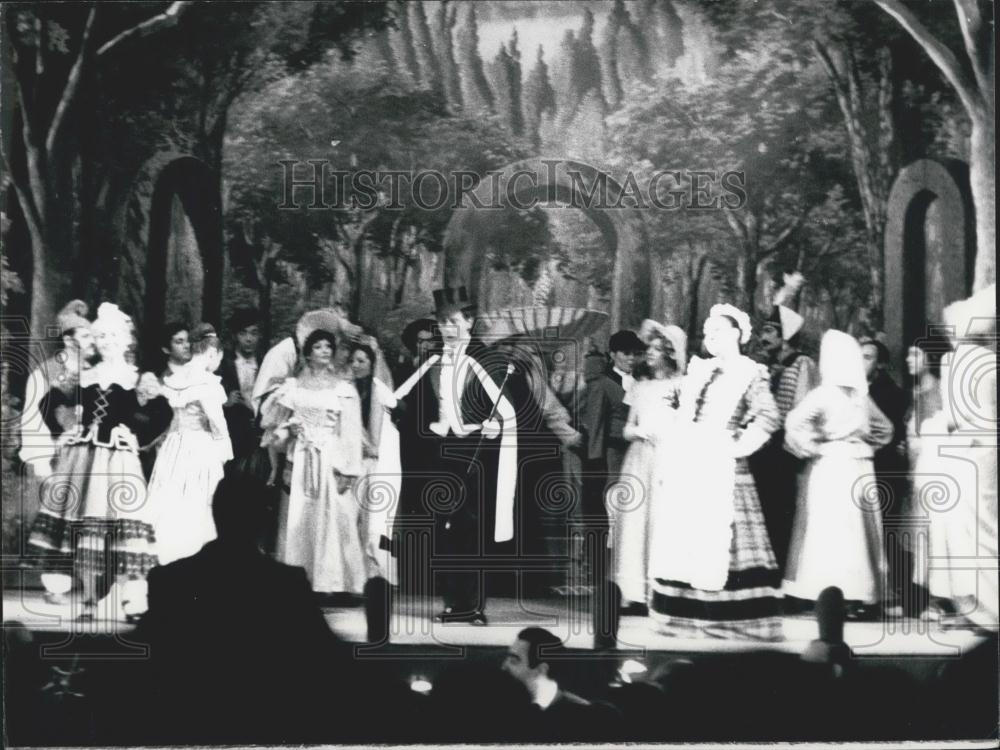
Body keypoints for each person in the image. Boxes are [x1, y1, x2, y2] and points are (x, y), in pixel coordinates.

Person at [135, 471, 353, 743]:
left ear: (216, 514)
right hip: (268, 725)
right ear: (263, 519)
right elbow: (326, 658)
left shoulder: (170, 579)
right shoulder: (286, 583)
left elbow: (142, 661)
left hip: (184, 724)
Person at [27, 303, 173, 620]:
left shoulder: (137, 377)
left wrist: (135, 435)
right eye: (101, 336)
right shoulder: (85, 376)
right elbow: (48, 401)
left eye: (113, 335)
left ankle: (132, 603)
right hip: (83, 460)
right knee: (86, 531)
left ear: (125, 339)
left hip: (119, 461)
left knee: (125, 531)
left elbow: (163, 414)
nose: (106, 341)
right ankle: (91, 601)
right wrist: (67, 429)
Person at [650, 304, 783, 640]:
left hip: (724, 464)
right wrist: (676, 431)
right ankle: (684, 617)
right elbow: (669, 401)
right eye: (707, 331)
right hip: (693, 464)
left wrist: (737, 445)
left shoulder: (750, 372)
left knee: (725, 539)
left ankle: (729, 619)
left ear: (737, 334)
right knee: (688, 541)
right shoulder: (699, 370)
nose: (711, 336)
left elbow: (768, 416)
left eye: (718, 330)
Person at [392, 287, 517, 624]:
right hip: (441, 452)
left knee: (473, 528)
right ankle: (452, 601)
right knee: (445, 528)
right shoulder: (432, 362)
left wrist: (494, 426)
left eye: (453, 322)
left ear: (469, 321)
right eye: (442, 323)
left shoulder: (487, 361)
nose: (447, 329)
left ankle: (474, 604)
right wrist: (407, 413)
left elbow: (506, 411)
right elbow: (415, 408)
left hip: (475, 454)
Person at [782, 330, 893, 613]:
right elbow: (886, 430)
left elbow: (793, 422)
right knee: (854, 531)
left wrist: (811, 445)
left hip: (831, 464)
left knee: (830, 530)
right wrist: (863, 445)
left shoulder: (824, 394)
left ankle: (829, 595)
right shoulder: (860, 397)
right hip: (859, 464)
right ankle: (858, 594)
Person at [260, 329, 366, 599]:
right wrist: (288, 434)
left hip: (331, 456)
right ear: (307, 353)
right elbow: (275, 424)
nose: (324, 351)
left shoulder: (343, 388)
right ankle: (301, 580)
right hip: (303, 456)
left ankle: (334, 582)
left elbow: (351, 431)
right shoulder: (293, 387)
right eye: (317, 347)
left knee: (334, 515)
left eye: (328, 346)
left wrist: (348, 468)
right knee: (300, 516)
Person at [19, 301, 97, 602]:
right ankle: (57, 584)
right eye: (86, 336)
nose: (92, 342)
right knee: (59, 521)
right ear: (68, 339)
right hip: (59, 458)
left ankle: (91, 584)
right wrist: (42, 464)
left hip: (90, 458)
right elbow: (32, 419)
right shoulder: (46, 373)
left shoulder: (97, 373)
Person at [608, 320, 687, 614]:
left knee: (663, 520)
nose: (649, 354)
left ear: (668, 352)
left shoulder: (682, 386)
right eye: (648, 348)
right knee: (635, 523)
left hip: (669, 458)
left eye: (656, 349)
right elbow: (627, 429)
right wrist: (640, 433)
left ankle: (662, 591)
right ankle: (634, 593)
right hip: (640, 459)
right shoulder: (640, 387)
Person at [148, 324, 232, 567]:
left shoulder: (175, 379)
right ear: (211, 354)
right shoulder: (206, 382)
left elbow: (170, 418)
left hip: (174, 444)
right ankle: (194, 554)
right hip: (199, 445)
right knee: (198, 498)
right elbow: (217, 422)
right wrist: (224, 451)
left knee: (172, 497)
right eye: (217, 358)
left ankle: (166, 555)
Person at [751, 290, 817, 573]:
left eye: (769, 332)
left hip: (785, 450)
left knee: (781, 510)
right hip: (762, 447)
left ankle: (781, 571)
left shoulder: (802, 363)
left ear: (784, 336)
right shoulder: (766, 364)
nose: (763, 338)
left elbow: (802, 407)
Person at [579, 330, 645, 586]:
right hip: (609, 456)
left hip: (635, 455)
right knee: (605, 514)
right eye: (626, 353)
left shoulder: (641, 380)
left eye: (635, 353)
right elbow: (594, 424)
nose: (631, 358)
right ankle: (599, 575)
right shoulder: (602, 383)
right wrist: (595, 461)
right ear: (613, 354)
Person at [859, 336, 909, 610]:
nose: (861, 361)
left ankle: (888, 593)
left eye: (868, 357)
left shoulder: (892, 393)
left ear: (880, 365)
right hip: (861, 469)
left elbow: (889, 435)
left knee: (885, 529)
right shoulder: (852, 389)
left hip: (884, 470)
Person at [501, 627, 621, 741]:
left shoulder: (590, 720)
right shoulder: (503, 707)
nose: (503, 667)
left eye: (513, 661)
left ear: (541, 669)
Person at [349, 340, 401, 584]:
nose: (356, 365)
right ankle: (354, 578)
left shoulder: (379, 391)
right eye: (353, 361)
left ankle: (376, 576)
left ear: (372, 364)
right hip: (354, 461)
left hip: (377, 462)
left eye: (362, 361)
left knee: (375, 521)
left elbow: (380, 436)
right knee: (352, 519)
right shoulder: (348, 389)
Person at [216, 307, 261, 461]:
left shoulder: (265, 364)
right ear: (235, 335)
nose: (249, 339)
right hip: (231, 432)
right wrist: (225, 402)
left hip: (258, 434)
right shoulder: (223, 364)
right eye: (243, 333)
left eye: (253, 333)